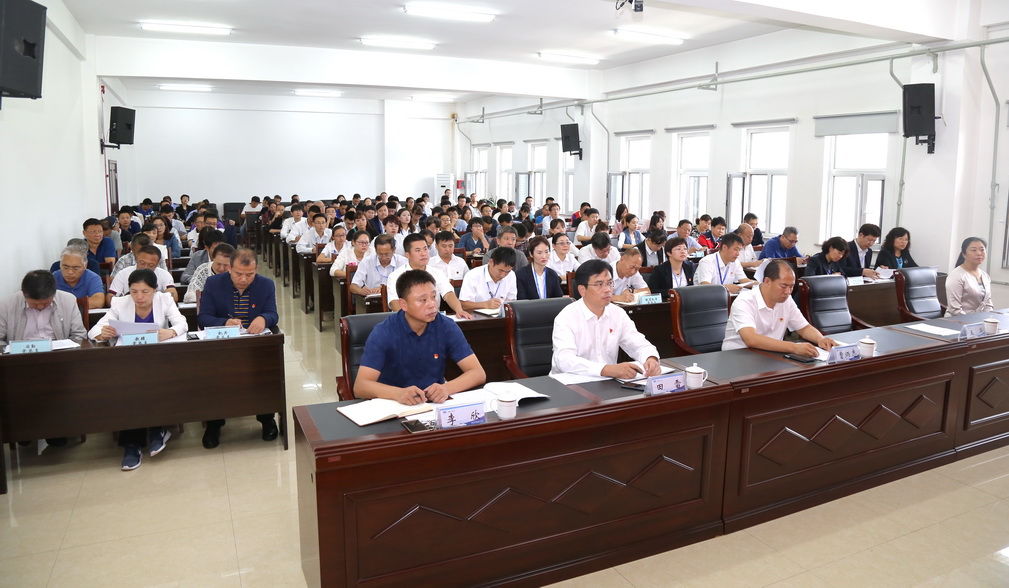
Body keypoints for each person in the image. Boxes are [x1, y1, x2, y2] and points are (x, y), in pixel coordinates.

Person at [89, 268, 187, 470]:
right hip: (129, 363)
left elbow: (182, 323)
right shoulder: (120, 303)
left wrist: (169, 332)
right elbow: (94, 330)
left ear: (155, 290)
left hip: (157, 361)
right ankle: (133, 444)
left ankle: (156, 430)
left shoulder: (164, 300)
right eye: (134, 291)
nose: (139, 297)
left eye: (145, 291)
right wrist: (102, 333)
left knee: (152, 383)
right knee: (128, 389)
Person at [356, 270, 486, 404]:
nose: (432, 304)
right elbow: (361, 386)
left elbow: (478, 373)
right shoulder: (384, 332)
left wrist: (446, 388)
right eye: (423, 300)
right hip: (393, 404)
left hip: (432, 404)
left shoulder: (446, 326)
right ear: (403, 304)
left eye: (434, 296)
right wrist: (398, 393)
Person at [197, 248, 280, 448]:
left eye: (249, 274)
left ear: (256, 269)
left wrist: (263, 318)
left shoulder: (266, 284)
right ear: (229, 269)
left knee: (269, 371)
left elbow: (273, 314)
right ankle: (215, 423)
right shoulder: (213, 283)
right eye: (238, 274)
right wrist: (224, 322)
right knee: (213, 376)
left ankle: (266, 418)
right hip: (222, 347)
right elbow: (203, 318)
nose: (243, 279)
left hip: (253, 346)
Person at [550, 259, 661, 379]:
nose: (607, 289)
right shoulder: (567, 317)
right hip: (570, 382)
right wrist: (606, 369)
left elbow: (637, 343)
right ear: (582, 290)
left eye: (609, 283)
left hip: (607, 382)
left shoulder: (618, 313)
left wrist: (650, 358)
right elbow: (564, 360)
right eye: (599, 284)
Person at [722, 259, 837, 356]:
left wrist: (820, 339)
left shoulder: (786, 300)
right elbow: (751, 339)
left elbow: (803, 328)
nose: (788, 292)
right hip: (738, 357)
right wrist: (794, 347)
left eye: (791, 287)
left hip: (771, 355)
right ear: (767, 281)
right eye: (783, 286)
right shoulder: (745, 301)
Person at [385, 234, 472, 317]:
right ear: (408, 255)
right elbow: (394, 303)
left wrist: (459, 310)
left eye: (425, 249)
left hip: (433, 318)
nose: (423, 253)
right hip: (408, 321)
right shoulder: (395, 276)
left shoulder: (437, 273)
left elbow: (448, 294)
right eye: (418, 250)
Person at [0, 270, 87, 347]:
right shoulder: (6, 305)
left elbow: (79, 334)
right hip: (21, 354)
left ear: (54, 293)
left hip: (59, 353)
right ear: (23, 292)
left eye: (45, 303)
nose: (40, 307)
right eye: (34, 304)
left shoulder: (68, 300)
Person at [107, 245, 178, 305]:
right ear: (136, 258)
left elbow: (173, 296)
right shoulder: (123, 274)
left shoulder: (164, 274)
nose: (145, 267)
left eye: (151, 265)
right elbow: (110, 297)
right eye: (142, 263)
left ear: (157, 264)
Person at [459, 246, 518, 311]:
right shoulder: (472, 275)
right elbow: (463, 305)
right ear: (491, 262)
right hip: (476, 316)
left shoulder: (511, 275)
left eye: (507, 272)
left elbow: (512, 300)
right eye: (500, 270)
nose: (503, 275)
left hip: (502, 315)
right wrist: (485, 305)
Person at [946, 237, 994, 316]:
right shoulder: (956, 275)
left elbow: (988, 305)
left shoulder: (985, 276)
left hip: (978, 319)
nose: (979, 253)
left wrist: (988, 319)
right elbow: (954, 309)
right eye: (973, 250)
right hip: (957, 320)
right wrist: (972, 321)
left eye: (982, 250)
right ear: (964, 254)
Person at [350, 234, 406, 300]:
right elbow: (353, 286)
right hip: (373, 300)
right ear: (376, 250)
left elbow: (408, 285)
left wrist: (385, 289)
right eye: (380, 254)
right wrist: (361, 291)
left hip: (397, 299)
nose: (384, 257)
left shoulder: (403, 262)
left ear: (394, 250)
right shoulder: (366, 262)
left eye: (387, 254)